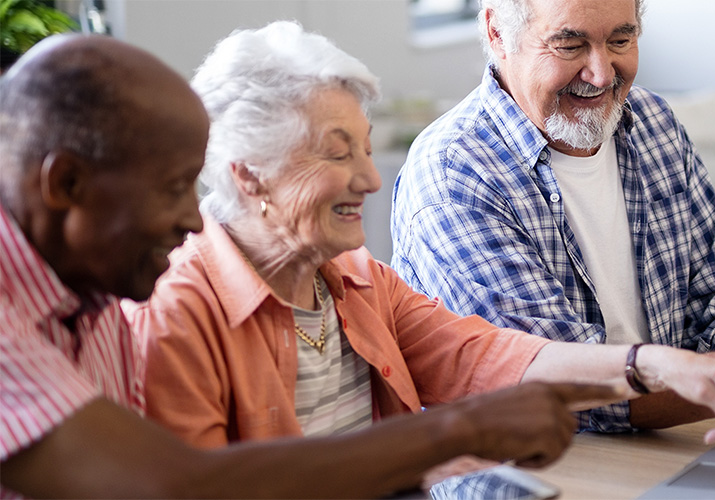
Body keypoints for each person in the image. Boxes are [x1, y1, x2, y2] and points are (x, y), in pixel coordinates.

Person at [124, 19, 715, 479]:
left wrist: (675, 366)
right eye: (338, 156)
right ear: (248, 174)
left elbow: (499, 355)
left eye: (366, 151)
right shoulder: (179, 310)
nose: (371, 181)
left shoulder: (354, 280)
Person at [0, 33, 640, 499]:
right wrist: (459, 430)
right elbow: (178, 487)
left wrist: (658, 366)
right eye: (172, 188)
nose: (194, 220)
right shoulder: (156, 299)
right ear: (67, 185)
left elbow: (480, 354)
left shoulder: (100, 292)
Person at [391, 0, 715, 433]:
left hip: (669, 441)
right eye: (570, 45)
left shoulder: (653, 123)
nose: (602, 73)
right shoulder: (454, 177)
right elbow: (563, 388)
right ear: (499, 34)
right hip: (536, 474)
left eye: (621, 39)